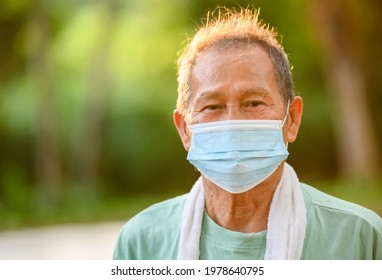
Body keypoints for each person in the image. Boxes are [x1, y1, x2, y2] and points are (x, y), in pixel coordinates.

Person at [113, 8, 382, 260]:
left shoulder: (359, 238)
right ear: (185, 129)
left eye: (253, 103)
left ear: (292, 119)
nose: (233, 124)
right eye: (212, 106)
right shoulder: (141, 244)